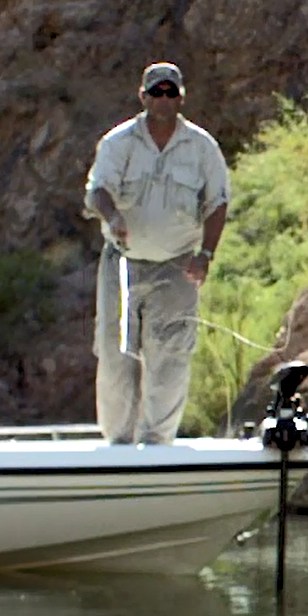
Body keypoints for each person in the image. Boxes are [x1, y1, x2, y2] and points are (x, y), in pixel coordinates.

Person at [85, 61, 230, 444]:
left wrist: (206, 254)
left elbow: (217, 203)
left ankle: (157, 443)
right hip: (122, 264)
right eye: (156, 92)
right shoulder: (118, 143)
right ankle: (118, 443)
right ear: (143, 97)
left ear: (181, 97)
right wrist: (113, 214)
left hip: (177, 266)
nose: (163, 99)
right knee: (117, 357)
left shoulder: (202, 147)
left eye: (170, 92)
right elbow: (98, 190)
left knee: (170, 357)